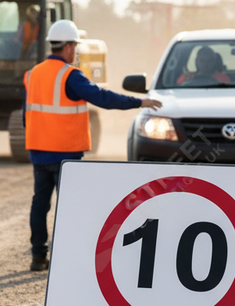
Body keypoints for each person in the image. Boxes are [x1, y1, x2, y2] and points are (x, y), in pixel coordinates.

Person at [23, 19, 163, 271]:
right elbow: (103, 98)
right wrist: (138, 102)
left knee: (40, 204)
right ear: (67, 47)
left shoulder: (33, 74)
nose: (75, 51)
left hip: (38, 151)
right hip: (65, 153)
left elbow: (27, 114)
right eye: (74, 46)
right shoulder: (70, 75)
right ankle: (70, 256)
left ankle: (37, 255)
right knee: (70, 206)